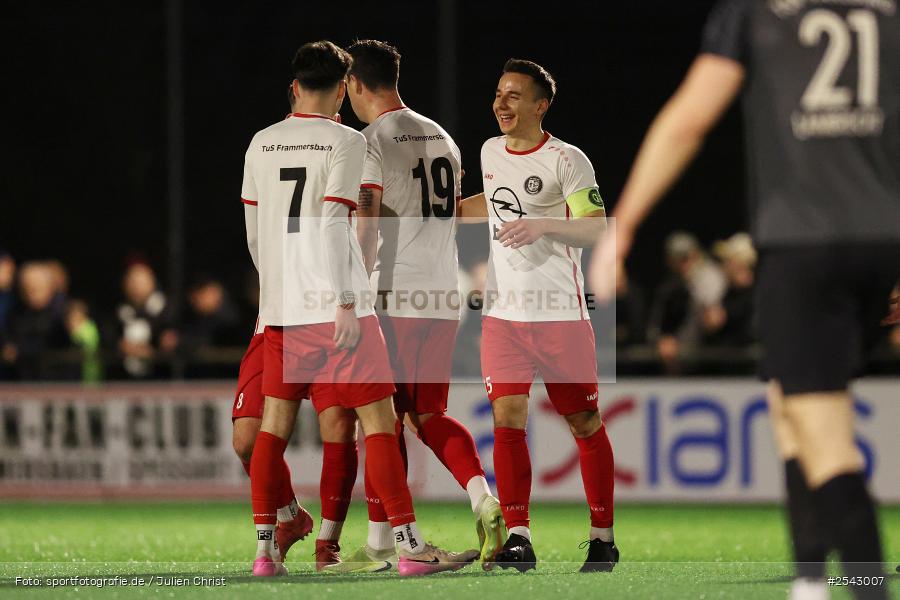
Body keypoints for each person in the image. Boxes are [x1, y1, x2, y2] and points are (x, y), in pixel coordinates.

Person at [588, 2, 900, 598]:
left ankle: (866, 585)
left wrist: (622, 228)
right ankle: (809, 579)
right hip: (881, 238)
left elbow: (689, 120)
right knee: (790, 403)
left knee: (825, 436)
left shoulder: (755, 10)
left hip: (803, 241)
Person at [240, 40, 477, 577]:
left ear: (295, 86)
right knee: (378, 422)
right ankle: (408, 546)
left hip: (282, 308)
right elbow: (332, 224)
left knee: (273, 428)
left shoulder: (261, 142)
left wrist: (277, 287)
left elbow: (255, 234)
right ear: (341, 90)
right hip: (338, 304)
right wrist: (347, 300)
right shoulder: (346, 141)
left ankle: (264, 552)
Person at [311, 38, 503, 574]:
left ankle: (384, 542)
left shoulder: (369, 140)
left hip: (392, 294)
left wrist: (354, 292)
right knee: (427, 415)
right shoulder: (441, 136)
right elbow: (455, 212)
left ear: (354, 84)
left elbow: (367, 222)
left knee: (381, 422)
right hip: (442, 296)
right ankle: (482, 498)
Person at [459, 59, 618, 573]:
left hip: (560, 316)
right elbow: (492, 202)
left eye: (513, 95)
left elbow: (595, 227)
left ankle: (602, 538)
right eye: (498, 94)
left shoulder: (567, 159)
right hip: (503, 317)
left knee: (584, 423)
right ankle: (519, 537)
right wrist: (445, 208)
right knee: (507, 421)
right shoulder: (489, 151)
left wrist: (543, 225)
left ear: (540, 105)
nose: (500, 103)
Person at [114, 262, 178, 378]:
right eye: (132, 282)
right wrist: (121, 346)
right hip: (123, 378)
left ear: (152, 282)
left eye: (140, 282)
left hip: (160, 378)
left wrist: (154, 351)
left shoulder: (167, 310)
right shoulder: (118, 310)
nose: (136, 287)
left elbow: (173, 341)